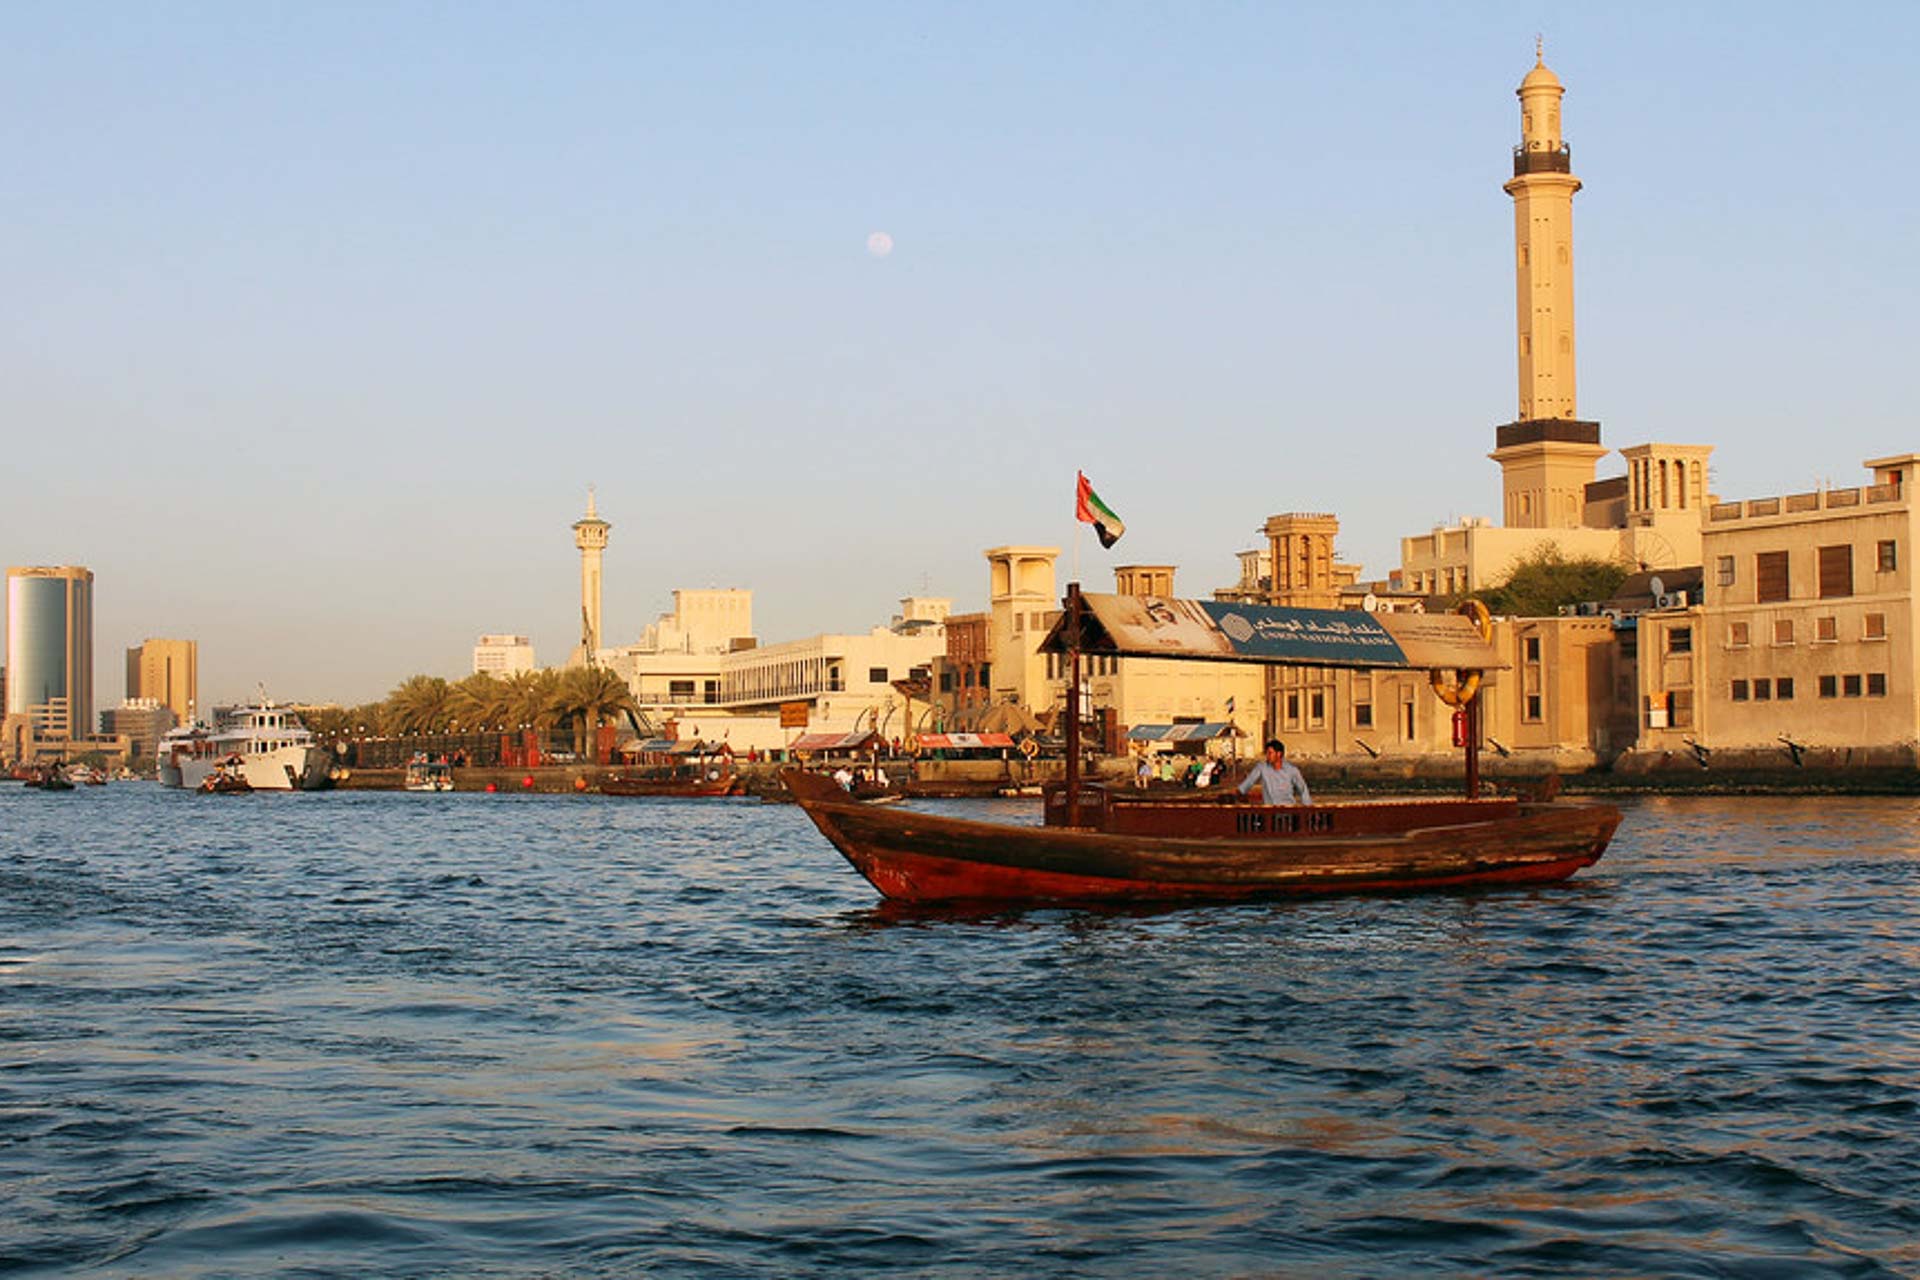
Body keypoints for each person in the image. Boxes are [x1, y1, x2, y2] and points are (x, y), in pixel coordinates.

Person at [1237, 739, 1312, 806]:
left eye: (1270, 753)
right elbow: (1248, 783)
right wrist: (1241, 795)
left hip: (1288, 809)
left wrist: (1308, 809)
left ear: (1278, 754)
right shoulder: (1262, 768)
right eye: (1266, 753)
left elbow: (1303, 790)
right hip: (1269, 811)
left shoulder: (1292, 770)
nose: (1267, 756)